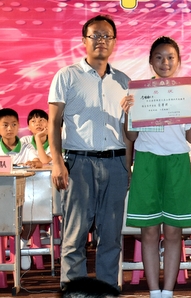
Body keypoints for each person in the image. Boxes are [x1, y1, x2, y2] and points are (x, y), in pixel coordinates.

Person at [121, 37, 191, 298]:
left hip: (177, 163)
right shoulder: (138, 94)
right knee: (149, 232)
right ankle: (154, 291)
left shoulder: (186, 94)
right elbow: (131, 136)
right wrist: (128, 112)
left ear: (178, 62)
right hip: (147, 162)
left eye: (170, 57)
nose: (165, 62)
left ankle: (168, 291)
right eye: (159, 57)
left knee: (173, 232)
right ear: (150, 62)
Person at [48, 15, 131, 288]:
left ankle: (107, 290)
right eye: (95, 35)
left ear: (114, 42)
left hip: (116, 163)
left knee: (111, 237)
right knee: (74, 236)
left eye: (107, 36)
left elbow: (128, 130)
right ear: (84, 40)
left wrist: (128, 166)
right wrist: (57, 162)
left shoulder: (124, 81)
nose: (101, 40)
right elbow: (54, 122)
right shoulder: (67, 76)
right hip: (79, 164)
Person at [0, 107, 40, 270]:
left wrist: (34, 163)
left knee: (35, 214)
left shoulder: (26, 147)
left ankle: (21, 243)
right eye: (5, 125)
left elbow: (37, 161)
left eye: (13, 124)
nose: (10, 128)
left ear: (18, 126)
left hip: (24, 197)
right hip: (2, 198)